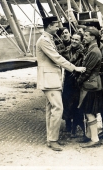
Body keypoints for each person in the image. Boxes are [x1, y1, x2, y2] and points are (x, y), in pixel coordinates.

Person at [36, 16, 86, 151]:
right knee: (58, 108)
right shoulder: (44, 41)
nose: (58, 28)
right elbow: (57, 58)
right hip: (49, 80)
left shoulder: (48, 39)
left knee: (51, 110)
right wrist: (74, 68)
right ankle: (53, 140)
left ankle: (50, 139)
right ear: (49, 26)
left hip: (52, 80)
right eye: (56, 26)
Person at [76, 27, 103, 148]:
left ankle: (94, 139)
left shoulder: (94, 51)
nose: (84, 37)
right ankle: (89, 136)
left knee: (89, 112)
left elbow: (87, 71)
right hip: (91, 84)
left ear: (93, 37)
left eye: (87, 35)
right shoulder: (92, 49)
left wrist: (79, 81)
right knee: (88, 111)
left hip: (90, 85)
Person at [61, 32, 85, 138]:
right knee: (66, 102)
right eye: (73, 39)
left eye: (77, 40)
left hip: (78, 81)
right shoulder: (66, 51)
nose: (74, 41)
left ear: (81, 41)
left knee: (77, 104)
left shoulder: (83, 52)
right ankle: (68, 125)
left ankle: (76, 127)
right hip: (68, 81)